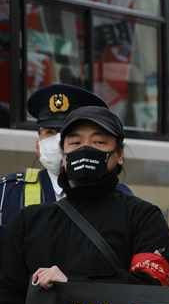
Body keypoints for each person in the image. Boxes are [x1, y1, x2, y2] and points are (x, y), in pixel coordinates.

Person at [0, 106, 169, 304]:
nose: (86, 149)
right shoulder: (29, 221)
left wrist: (74, 285)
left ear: (119, 155)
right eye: (75, 142)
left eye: (99, 143)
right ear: (63, 154)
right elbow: (8, 298)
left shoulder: (144, 217)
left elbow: (151, 291)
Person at [0, 84, 123, 235]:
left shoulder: (120, 197)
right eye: (49, 132)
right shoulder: (9, 191)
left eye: (68, 132)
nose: (58, 142)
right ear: (38, 143)